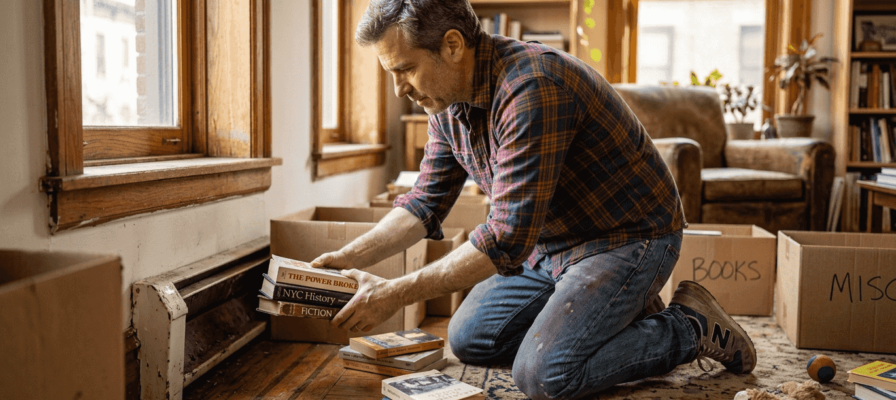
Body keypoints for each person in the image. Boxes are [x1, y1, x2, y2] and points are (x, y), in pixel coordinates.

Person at [310, 1, 756, 398]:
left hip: (626, 238)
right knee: (469, 340)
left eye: (404, 69)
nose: (398, 89)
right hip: (546, 245)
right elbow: (423, 204)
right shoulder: (445, 105)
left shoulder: (532, 86)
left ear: (452, 45)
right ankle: (621, 311)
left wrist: (393, 293)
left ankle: (688, 326)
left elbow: (503, 238)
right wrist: (348, 256)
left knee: (544, 376)